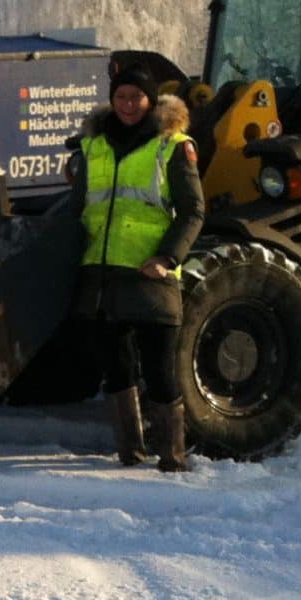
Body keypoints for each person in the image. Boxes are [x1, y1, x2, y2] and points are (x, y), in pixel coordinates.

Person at [70, 64, 204, 472]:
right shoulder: (93, 147)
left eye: (137, 97)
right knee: (117, 370)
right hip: (103, 274)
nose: (128, 105)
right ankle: (130, 452)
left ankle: (173, 456)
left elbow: (193, 211)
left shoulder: (171, 145)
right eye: (121, 97)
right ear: (112, 100)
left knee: (160, 372)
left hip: (151, 275)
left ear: (150, 101)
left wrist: (168, 258)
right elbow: (79, 207)